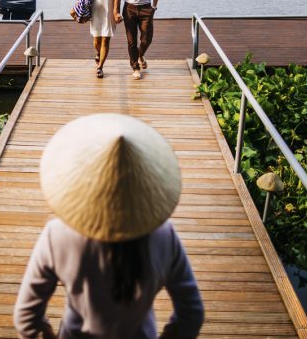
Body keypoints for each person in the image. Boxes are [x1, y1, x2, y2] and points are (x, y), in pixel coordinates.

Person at [14, 113, 204, 338]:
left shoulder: (58, 236)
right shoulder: (164, 236)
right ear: (146, 183)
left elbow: (25, 318)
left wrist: (46, 332)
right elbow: (192, 314)